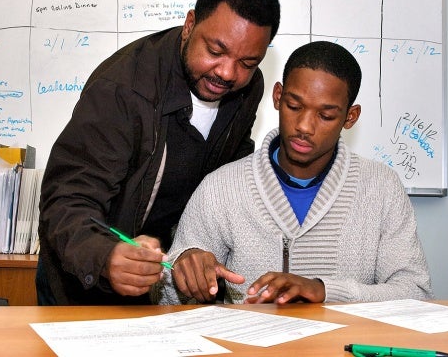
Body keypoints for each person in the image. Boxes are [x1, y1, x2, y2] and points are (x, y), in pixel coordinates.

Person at [37, 0, 281, 305]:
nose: (227, 72)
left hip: (163, 282)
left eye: (247, 62)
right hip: (84, 280)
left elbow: (224, 179)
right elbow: (67, 199)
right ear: (190, 24)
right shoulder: (123, 90)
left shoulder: (248, 87)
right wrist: (107, 256)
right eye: (215, 50)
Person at [153, 41, 433, 305]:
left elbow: (415, 293)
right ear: (278, 96)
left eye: (325, 116)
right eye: (294, 106)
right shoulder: (222, 188)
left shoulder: (382, 188)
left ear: (350, 117)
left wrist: (324, 291)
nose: (304, 126)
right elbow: (166, 301)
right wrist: (182, 274)